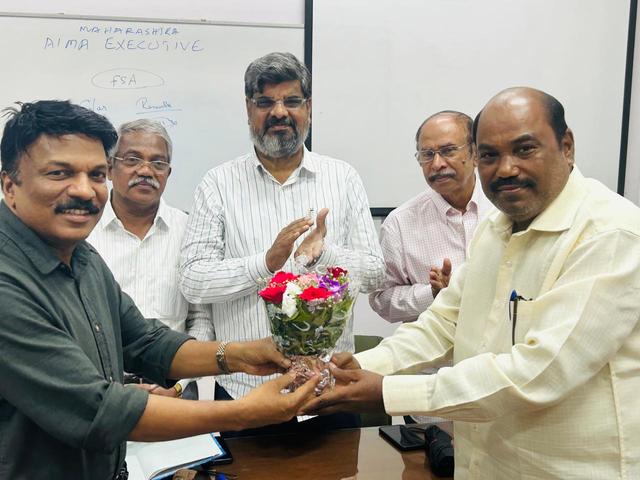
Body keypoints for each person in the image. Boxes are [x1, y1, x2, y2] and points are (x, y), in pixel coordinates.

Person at [303, 87, 640, 479]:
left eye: (525, 149)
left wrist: (384, 390)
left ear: (566, 146)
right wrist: (357, 366)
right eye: (490, 156)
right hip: (485, 461)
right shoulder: (495, 230)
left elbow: (538, 375)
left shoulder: (610, 233)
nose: (507, 168)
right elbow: (443, 323)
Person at [0, 100, 318, 480]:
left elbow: (146, 342)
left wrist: (241, 354)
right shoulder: (8, 281)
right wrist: (247, 412)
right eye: (59, 173)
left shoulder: (81, 256)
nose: (85, 191)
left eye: (96, 174)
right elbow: (97, 410)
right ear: (9, 185)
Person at [179, 51, 384, 434]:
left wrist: (327, 255)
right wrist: (266, 263)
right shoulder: (217, 184)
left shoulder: (342, 177)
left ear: (308, 107)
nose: (279, 112)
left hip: (331, 391)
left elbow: (374, 274)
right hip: (245, 397)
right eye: (265, 102)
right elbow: (193, 279)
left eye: (291, 101)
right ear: (248, 109)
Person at [88, 119, 211, 400]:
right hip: (98, 391)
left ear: (169, 173)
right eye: (133, 159)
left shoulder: (191, 232)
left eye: (158, 163)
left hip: (176, 388)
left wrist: (179, 382)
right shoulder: (82, 231)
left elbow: (202, 319)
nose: (145, 171)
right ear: (109, 167)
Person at [369, 111, 492, 322]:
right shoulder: (400, 224)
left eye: (448, 151)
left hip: (501, 348)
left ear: (476, 154)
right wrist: (432, 294)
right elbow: (382, 301)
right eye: (427, 154)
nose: (437, 164)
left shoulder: (504, 208)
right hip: (436, 352)